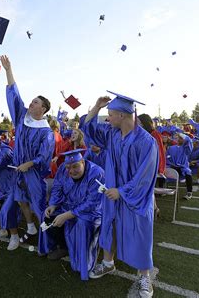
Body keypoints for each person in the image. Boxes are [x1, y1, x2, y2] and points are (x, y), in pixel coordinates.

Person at [80, 91, 158, 298]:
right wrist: (96, 106)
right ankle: (107, 263)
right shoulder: (112, 134)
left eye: (110, 114)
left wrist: (122, 191)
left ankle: (144, 276)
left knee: (141, 235)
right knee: (109, 227)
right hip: (112, 194)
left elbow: (145, 177)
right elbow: (88, 127)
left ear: (122, 115)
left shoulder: (147, 142)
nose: (107, 118)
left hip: (136, 198)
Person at [0, 55, 55, 253]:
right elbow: (15, 98)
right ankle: (21, 232)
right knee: (19, 200)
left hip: (32, 172)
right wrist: (8, 71)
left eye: (35, 102)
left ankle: (47, 242)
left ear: (44, 109)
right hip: (18, 169)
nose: (31, 104)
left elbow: (44, 156)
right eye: (31, 101)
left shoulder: (46, 132)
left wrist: (29, 164)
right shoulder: (22, 118)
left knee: (39, 207)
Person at [43, 149, 104, 280]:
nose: (71, 171)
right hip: (68, 205)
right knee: (48, 219)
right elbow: (57, 187)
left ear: (83, 161)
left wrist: (67, 215)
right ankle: (62, 247)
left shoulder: (96, 172)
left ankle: (84, 261)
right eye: (68, 167)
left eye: (75, 166)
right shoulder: (62, 169)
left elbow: (93, 202)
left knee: (81, 224)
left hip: (90, 213)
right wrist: (52, 204)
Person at [138, 113, 166, 218]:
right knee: (147, 190)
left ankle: (153, 209)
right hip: (146, 166)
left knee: (147, 190)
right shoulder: (143, 134)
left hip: (153, 166)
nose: (137, 124)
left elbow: (159, 153)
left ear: (145, 123)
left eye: (140, 122)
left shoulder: (154, 134)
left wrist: (159, 168)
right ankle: (154, 209)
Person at [166, 133, 194, 200]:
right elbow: (167, 158)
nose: (179, 139)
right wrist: (171, 164)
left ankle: (189, 192)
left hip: (183, 167)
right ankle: (162, 189)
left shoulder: (185, 148)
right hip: (172, 166)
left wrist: (185, 137)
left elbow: (189, 142)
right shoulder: (171, 148)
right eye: (179, 138)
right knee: (163, 171)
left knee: (188, 174)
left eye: (181, 138)